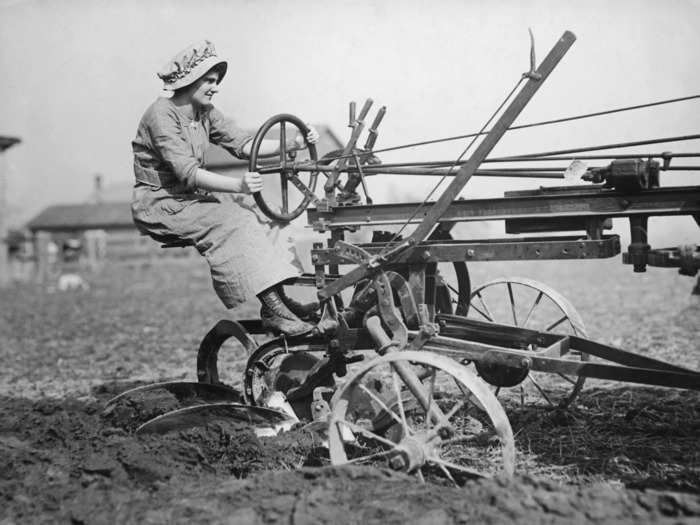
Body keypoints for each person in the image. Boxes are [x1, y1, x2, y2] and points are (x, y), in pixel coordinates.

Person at [131, 40, 320, 336]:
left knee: (267, 215)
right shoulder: (161, 115)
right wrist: (238, 185)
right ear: (189, 80)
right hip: (161, 203)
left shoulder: (204, 111)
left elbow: (245, 144)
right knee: (232, 221)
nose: (215, 87)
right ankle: (274, 310)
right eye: (209, 80)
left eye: (216, 81)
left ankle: (280, 304)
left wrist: (292, 143)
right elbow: (188, 172)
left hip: (191, 198)